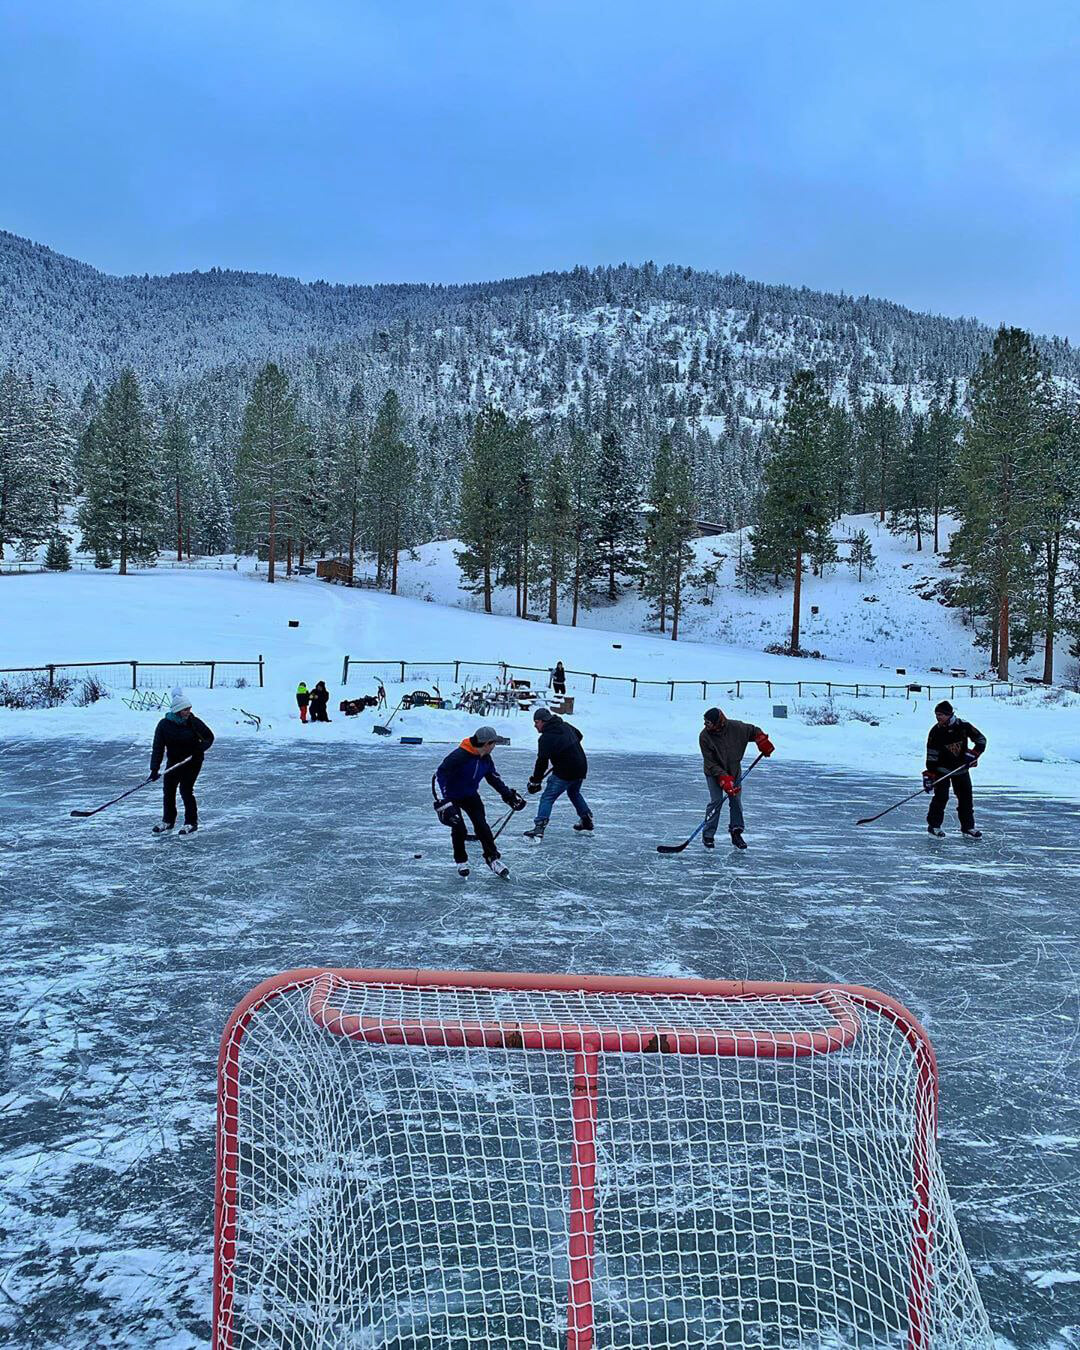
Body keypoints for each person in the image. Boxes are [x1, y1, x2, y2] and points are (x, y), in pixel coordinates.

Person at [433, 726, 526, 877]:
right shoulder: (459, 756)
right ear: (487, 744)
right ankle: (461, 860)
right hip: (451, 796)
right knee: (459, 827)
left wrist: (509, 795)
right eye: (494, 743)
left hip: (470, 795)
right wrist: (443, 802)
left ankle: (492, 858)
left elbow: (493, 778)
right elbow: (439, 775)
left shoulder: (486, 758)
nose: (494, 746)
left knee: (482, 826)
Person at [699, 707, 774, 849]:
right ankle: (708, 834)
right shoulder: (704, 737)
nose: (705, 725)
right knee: (716, 801)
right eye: (705, 722)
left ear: (717, 722)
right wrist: (722, 778)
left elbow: (753, 730)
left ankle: (736, 832)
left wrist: (761, 740)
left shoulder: (736, 727)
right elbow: (710, 762)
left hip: (733, 770)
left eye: (708, 722)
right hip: (713, 772)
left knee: (735, 800)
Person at [150, 688, 214, 835]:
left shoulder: (193, 722)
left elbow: (209, 737)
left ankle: (191, 822)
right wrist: (154, 769)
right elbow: (158, 748)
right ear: (177, 710)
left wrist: (199, 749)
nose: (188, 712)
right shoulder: (164, 725)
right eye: (185, 709)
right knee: (168, 790)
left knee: (185, 790)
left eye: (189, 709)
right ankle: (168, 821)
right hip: (174, 761)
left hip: (192, 761)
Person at [523, 706, 591, 840]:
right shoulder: (565, 726)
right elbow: (579, 735)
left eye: (536, 722)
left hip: (565, 770)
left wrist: (536, 781)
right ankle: (586, 820)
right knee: (574, 792)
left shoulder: (546, 738)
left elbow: (542, 762)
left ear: (543, 721)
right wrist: (565, 751)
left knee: (548, 797)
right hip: (580, 766)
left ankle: (539, 827)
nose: (535, 726)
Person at [923, 700, 987, 838]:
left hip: (961, 769)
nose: (938, 718)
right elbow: (931, 755)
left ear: (949, 714)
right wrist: (930, 774)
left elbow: (981, 740)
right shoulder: (935, 731)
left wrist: (974, 753)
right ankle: (934, 826)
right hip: (941, 770)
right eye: (936, 715)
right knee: (941, 798)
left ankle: (968, 827)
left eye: (941, 715)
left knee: (966, 798)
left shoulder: (963, 726)